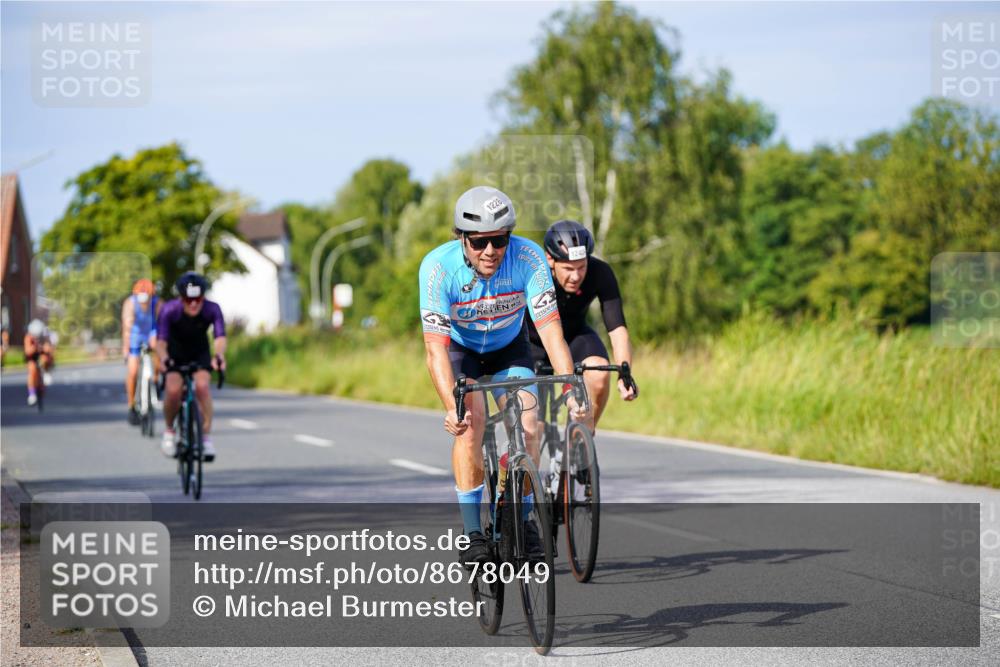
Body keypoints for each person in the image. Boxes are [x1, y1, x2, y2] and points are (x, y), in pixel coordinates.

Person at [419, 186, 584, 567]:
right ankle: (473, 533)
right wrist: (451, 407)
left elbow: (550, 332)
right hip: (462, 353)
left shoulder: (527, 258)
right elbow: (435, 351)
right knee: (471, 423)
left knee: (529, 424)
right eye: (479, 243)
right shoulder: (438, 268)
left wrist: (569, 382)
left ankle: (522, 516)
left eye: (499, 240)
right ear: (462, 238)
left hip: (510, 347)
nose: (490, 251)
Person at [526, 220, 638, 434]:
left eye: (581, 267)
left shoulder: (600, 272)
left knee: (599, 373)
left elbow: (617, 329)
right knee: (534, 426)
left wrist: (625, 373)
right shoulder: (534, 275)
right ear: (550, 259)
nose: (576, 276)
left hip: (575, 336)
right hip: (533, 343)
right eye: (568, 268)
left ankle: (579, 441)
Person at [156, 272, 226, 462]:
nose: (194, 304)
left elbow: (219, 337)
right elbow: (160, 342)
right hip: (175, 354)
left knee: (202, 387)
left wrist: (218, 355)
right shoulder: (170, 310)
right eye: (189, 300)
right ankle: (170, 432)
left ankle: (205, 438)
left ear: (203, 297)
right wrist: (163, 358)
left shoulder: (212, 309)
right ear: (181, 298)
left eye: (198, 299)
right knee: (173, 390)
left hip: (199, 352)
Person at [122, 278, 162, 425]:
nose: (144, 302)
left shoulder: (157, 303)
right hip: (135, 335)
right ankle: (131, 405)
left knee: (159, 350)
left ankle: (156, 379)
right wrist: (126, 347)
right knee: (133, 371)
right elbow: (127, 327)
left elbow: (164, 322)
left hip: (152, 332)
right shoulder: (130, 303)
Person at [23, 319, 55, 405]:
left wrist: (46, 349)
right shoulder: (28, 337)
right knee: (32, 369)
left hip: (41, 355)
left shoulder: (44, 336)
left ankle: (46, 373)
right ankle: (32, 394)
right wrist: (35, 348)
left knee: (45, 359)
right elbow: (27, 351)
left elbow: (49, 349)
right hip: (32, 357)